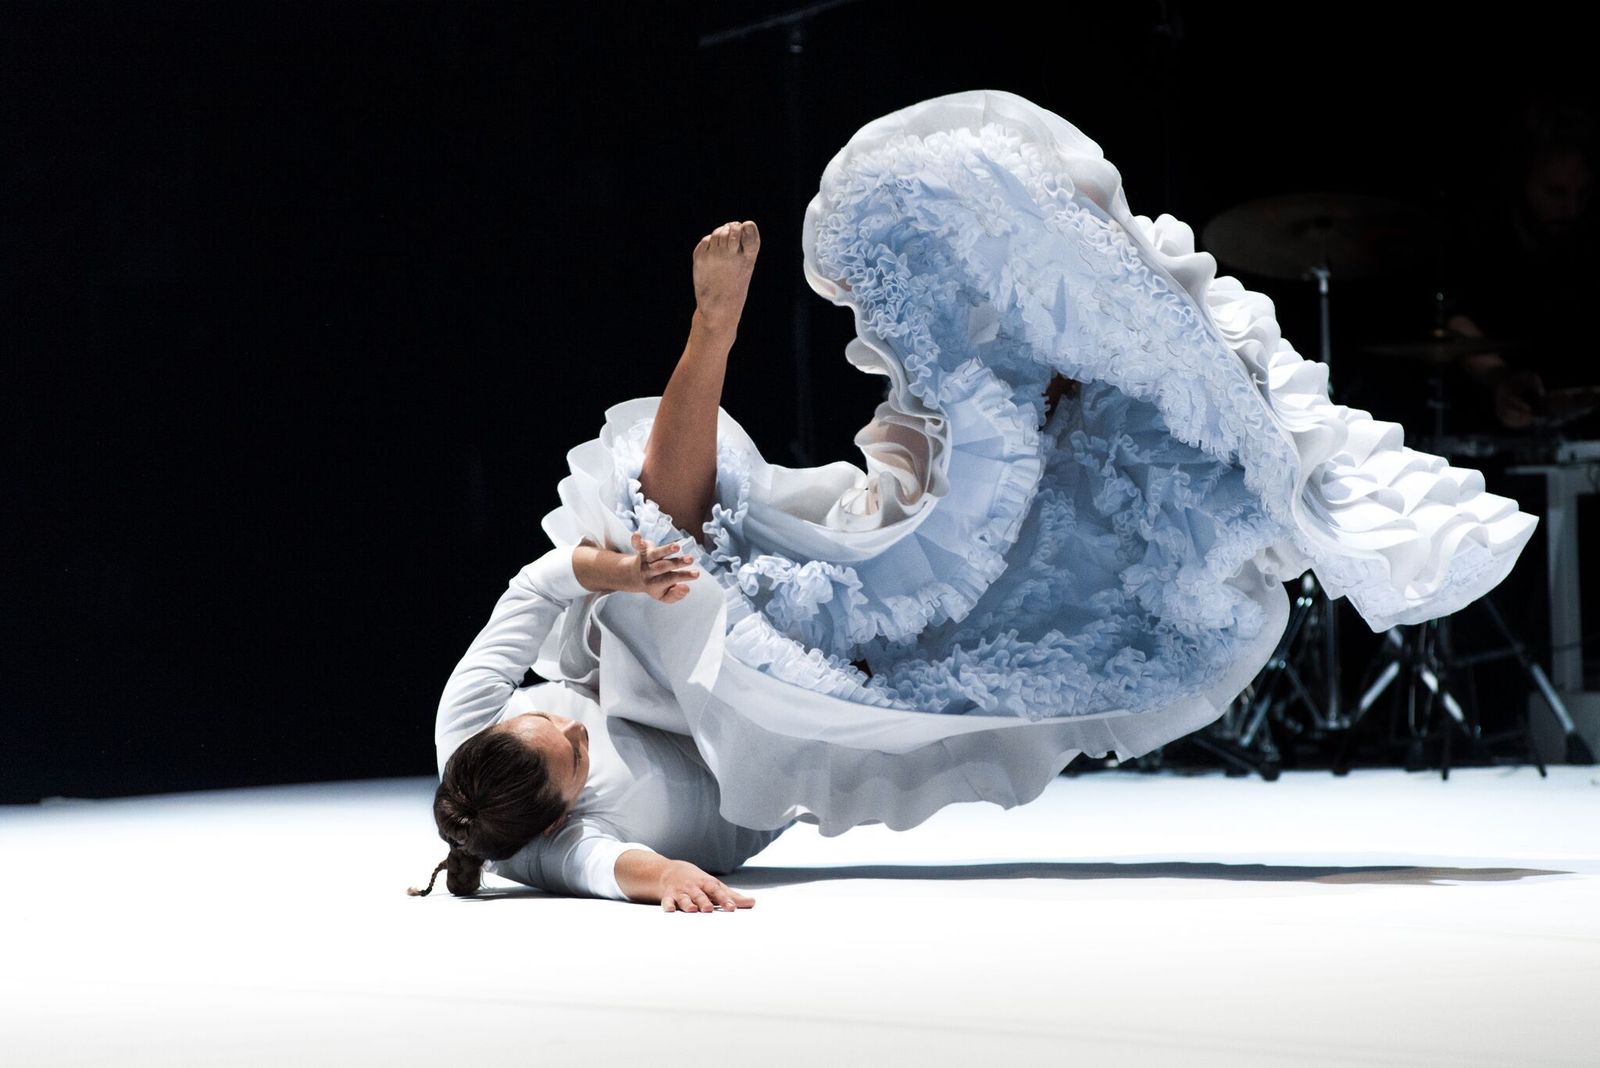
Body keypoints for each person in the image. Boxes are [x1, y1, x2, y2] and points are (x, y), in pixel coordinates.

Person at [412, 89, 1538, 909]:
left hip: (649, 645)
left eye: (539, 722)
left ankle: (722, 333)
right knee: (938, 590)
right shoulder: (560, 848)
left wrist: (606, 573)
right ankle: (1029, 428)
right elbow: (620, 867)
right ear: (563, 810)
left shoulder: (468, 732)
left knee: (654, 536)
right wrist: (667, 883)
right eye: (570, 754)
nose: (564, 723)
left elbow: (534, 590)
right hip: (752, 735)